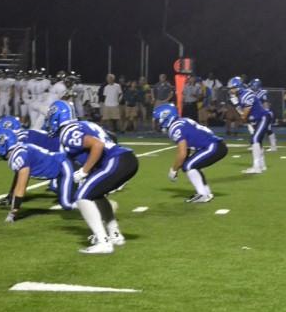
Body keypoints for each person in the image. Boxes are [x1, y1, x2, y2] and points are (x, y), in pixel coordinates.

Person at [47, 100, 137, 254]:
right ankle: (115, 235)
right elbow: (110, 138)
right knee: (96, 195)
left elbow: (97, 145)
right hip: (126, 159)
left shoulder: (68, 132)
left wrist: (84, 171)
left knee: (82, 196)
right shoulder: (84, 125)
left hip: (116, 160)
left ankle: (103, 242)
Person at [153, 104, 228, 202]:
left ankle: (203, 195)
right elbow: (186, 149)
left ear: (166, 117)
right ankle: (206, 193)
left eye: (158, 119)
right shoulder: (182, 121)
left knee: (189, 166)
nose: (157, 122)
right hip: (215, 145)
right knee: (191, 165)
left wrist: (174, 170)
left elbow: (182, 153)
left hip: (213, 146)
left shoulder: (175, 127)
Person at [228, 76, 270, 174]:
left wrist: (236, 105)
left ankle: (256, 167)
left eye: (232, 88)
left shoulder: (247, 94)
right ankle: (262, 165)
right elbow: (243, 116)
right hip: (255, 120)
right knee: (258, 142)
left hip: (262, 118)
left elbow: (244, 115)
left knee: (255, 140)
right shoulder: (240, 96)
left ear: (238, 87)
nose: (231, 91)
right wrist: (237, 106)